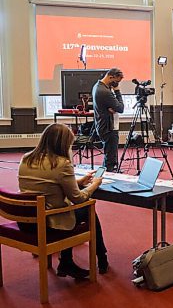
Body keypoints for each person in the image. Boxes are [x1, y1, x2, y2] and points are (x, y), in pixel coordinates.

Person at [17, 123, 108, 278]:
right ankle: (101, 257)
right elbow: (78, 198)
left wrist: (78, 182)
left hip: (26, 221)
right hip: (48, 223)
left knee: (71, 210)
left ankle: (68, 261)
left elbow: (46, 184)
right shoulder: (62, 164)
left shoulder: (26, 158)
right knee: (87, 209)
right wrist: (94, 185)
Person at [92, 68, 124, 172]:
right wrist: (118, 91)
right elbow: (121, 108)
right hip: (108, 128)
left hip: (103, 125)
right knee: (110, 159)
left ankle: (105, 177)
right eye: (116, 82)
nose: (117, 84)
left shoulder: (97, 86)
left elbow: (114, 107)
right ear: (111, 77)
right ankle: (107, 180)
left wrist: (112, 107)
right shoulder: (104, 91)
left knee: (109, 156)